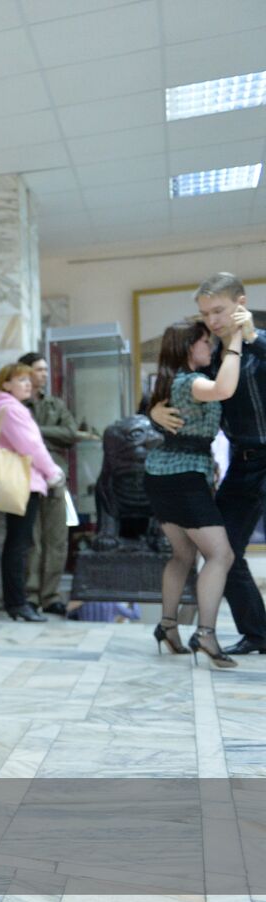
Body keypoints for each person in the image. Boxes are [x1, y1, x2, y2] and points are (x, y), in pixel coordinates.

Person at [151, 274, 266, 656]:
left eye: (219, 311)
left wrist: (250, 338)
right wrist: (154, 412)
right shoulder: (213, 355)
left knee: (219, 551)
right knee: (224, 551)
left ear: (241, 303)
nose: (213, 321)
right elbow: (187, 390)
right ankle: (257, 633)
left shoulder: (258, 345)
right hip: (244, 465)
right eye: (206, 314)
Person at [146, 318, 248, 667]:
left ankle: (168, 626)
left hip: (162, 474)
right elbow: (222, 390)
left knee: (182, 555)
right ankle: (205, 633)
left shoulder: (168, 380)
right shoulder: (191, 382)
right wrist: (235, 341)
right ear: (190, 347)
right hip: (183, 477)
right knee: (221, 555)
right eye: (206, 342)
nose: (211, 347)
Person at [0, 364, 66, 622]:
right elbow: (30, 446)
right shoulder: (11, 410)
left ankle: (17, 602)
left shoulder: (4, 408)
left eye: (29, 380)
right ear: (6, 384)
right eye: (21, 379)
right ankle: (18, 603)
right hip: (22, 483)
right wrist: (53, 472)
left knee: (17, 543)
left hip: (21, 483)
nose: (28, 384)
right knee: (19, 545)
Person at [19, 350, 89, 615]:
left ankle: (51, 596)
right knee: (32, 539)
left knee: (57, 538)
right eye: (39, 369)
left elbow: (71, 433)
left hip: (55, 476)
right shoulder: (18, 404)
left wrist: (37, 432)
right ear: (24, 371)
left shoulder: (55, 405)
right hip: (25, 477)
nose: (44, 375)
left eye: (46, 370)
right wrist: (46, 437)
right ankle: (31, 595)